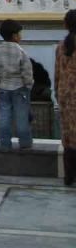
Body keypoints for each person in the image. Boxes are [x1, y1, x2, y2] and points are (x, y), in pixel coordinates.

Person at [0, 19, 33, 150]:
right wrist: (28, 85)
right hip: (20, 89)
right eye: (20, 33)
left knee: (4, 116)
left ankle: (5, 144)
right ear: (14, 36)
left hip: (3, 88)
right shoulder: (21, 51)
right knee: (22, 118)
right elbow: (27, 71)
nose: (21, 36)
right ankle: (25, 143)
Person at [55, 9, 76, 185]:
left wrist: (58, 94)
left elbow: (57, 74)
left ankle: (69, 177)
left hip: (66, 96)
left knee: (68, 137)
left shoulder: (61, 46)